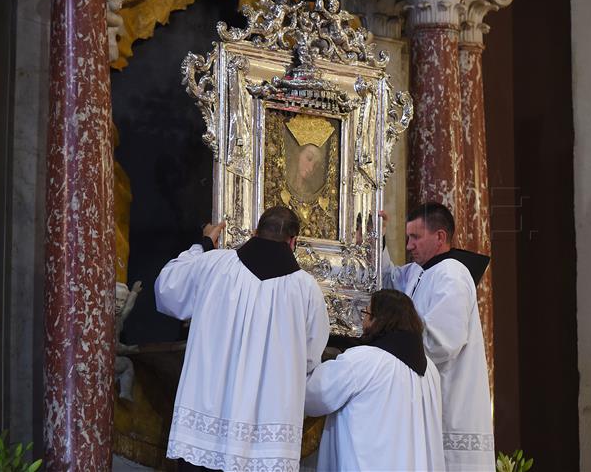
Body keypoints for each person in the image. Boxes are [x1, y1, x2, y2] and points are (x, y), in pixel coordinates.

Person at [155, 206, 330, 472]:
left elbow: (167, 288)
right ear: (293, 242)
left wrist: (202, 245)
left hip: (208, 418)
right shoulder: (306, 290)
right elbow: (309, 358)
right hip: (265, 432)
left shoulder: (214, 265)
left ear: (255, 232)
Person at [381, 202, 494, 471]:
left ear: (440, 237)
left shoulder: (451, 274)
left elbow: (443, 342)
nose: (409, 245)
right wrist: (378, 238)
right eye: (408, 237)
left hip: (449, 403)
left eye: (415, 237)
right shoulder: (420, 272)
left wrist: (385, 348)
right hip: (427, 402)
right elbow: (388, 280)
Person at [304, 289, 445, 471]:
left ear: (379, 320)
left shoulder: (364, 360)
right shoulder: (430, 369)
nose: (362, 321)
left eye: (366, 314)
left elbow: (314, 395)